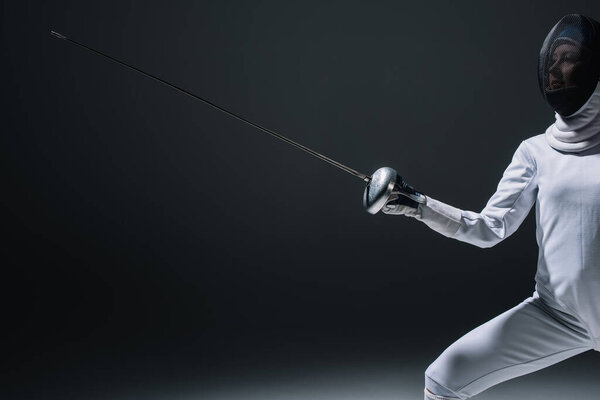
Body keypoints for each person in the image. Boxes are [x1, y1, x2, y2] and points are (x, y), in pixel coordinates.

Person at [380, 14, 600, 400]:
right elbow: (488, 228)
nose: (556, 70)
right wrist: (419, 205)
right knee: (443, 377)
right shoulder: (536, 152)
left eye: (570, 59)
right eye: (553, 60)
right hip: (559, 316)